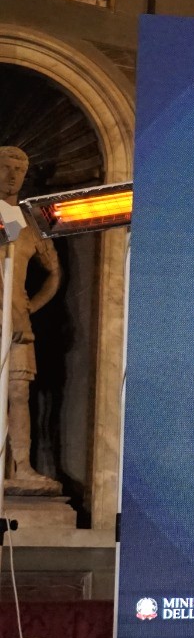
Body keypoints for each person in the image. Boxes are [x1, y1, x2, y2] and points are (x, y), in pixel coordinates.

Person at [0, 146, 62, 495]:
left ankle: (21, 466)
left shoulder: (28, 223)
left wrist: (28, 308)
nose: (12, 176)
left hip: (18, 323)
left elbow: (54, 273)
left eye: (19, 170)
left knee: (19, 394)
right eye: (6, 168)